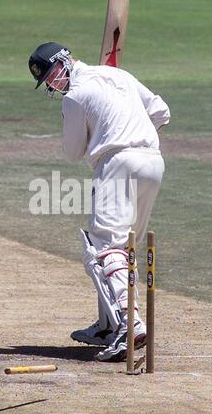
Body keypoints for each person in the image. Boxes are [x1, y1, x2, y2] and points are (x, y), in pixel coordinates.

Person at [29, 42, 170, 362]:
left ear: (64, 61)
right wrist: (130, 129)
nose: (53, 83)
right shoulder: (116, 75)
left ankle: (129, 324)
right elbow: (162, 111)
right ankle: (109, 325)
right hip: (153, 162)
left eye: (52, 75)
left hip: (117, 163)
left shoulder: (75, 97)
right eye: (48, 81)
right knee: (125, 246)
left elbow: (73, 152)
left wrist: (110, 135)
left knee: (103, 248)